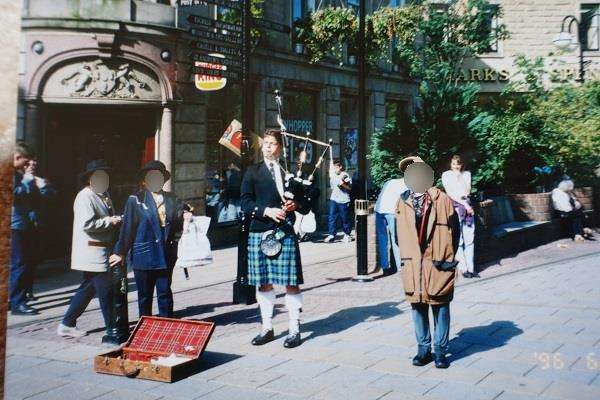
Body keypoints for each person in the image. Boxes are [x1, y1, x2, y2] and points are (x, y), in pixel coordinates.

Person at [240, 129, 310, 348]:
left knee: (291, 282)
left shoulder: (290, 172)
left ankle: (294, 329)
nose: (268, 147)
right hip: (261, 230)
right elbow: (245, 203)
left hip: (285, 231)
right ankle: (267, 327)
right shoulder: (253, 171)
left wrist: (296, 204)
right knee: (264, 283)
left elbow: (307, 204)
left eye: (272, 143)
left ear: (281, 147)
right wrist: (266, 211)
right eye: (265, 143)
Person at [396, 157, 459, 369]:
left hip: (437, 260)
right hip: (413, 263)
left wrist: (446, 254)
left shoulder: (442, 199)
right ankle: (423, 349)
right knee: (418, 305)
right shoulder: (402, 201)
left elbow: (455, 231)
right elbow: (399, 236)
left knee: (440, 305)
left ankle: (440, 351)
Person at [111, 160, 192, 318]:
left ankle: (167, 325)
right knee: (144, 296)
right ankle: (145, 329)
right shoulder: (136, 200)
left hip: (165, 253)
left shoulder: (171, 198)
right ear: (145, 180)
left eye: (158, 177)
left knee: (164, 293)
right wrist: (120, 252)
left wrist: (186, 214)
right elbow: (127, 228)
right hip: (144, 255)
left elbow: (179, 215)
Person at [57, 160, 122, 339]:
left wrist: (114, 219)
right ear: (90, 180)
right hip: (92, 251)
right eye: (99, 177)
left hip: (101, 250)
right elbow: (87, 224)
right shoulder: (85, 196)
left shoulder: (104, 194)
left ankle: (66, 324)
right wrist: (110, 221)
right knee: (106, 290)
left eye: (105, 177)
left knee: (87, 288)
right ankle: (112, 329)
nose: (103, 180)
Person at [10, 142, 47, 315]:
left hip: (21, 224)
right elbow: (15, 195)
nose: (28, 166)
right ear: (17, 157)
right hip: (15, 225)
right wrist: (27, 180)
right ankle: (17, 303)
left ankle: (14, 299)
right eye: (26, 162)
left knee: (18, 264)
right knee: (19, 264)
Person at [23, 157, 56, 301]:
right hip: (20, 225)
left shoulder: (39, 180)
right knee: (19, 262)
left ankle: (28, 291)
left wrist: (43, 186)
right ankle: (17, 295)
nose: (32, 166)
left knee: (31, 260)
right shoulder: (19, 180)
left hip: (35, 225)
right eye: (28, 164)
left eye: (34, 164)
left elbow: (52, 196)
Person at [441, 155, 478, 278]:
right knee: (459, 239)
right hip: (455, 208)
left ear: (462, 164)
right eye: (453, 164)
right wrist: (465, 205)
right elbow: (450, 193)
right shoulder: (446, 175)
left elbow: (467, 191)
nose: (456, 167)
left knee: (470, 239)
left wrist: (459, 177)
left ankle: (471, 268)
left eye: (458, 164)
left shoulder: (466, 174)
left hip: (468, 206)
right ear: (450, 164)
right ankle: (464, 268)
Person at [374, 173, 407, 277]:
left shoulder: (390, 182)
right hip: (391, 211)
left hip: (379, 209)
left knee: (382, 240)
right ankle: (399, 267)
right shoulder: (407, 185)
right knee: (395, 239)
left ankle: (385, 267)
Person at [325, 159, 353, 243]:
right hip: (334, 199)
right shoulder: (333, 175)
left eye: (336, 167)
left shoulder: (345, 175)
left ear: (340, 167)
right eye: (333, 168)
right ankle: (332, 235)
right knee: (331, 217)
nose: (334, 169)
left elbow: (350, 188)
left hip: (343, 200)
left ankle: (347, 234)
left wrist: (343, 184)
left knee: (344, 218)